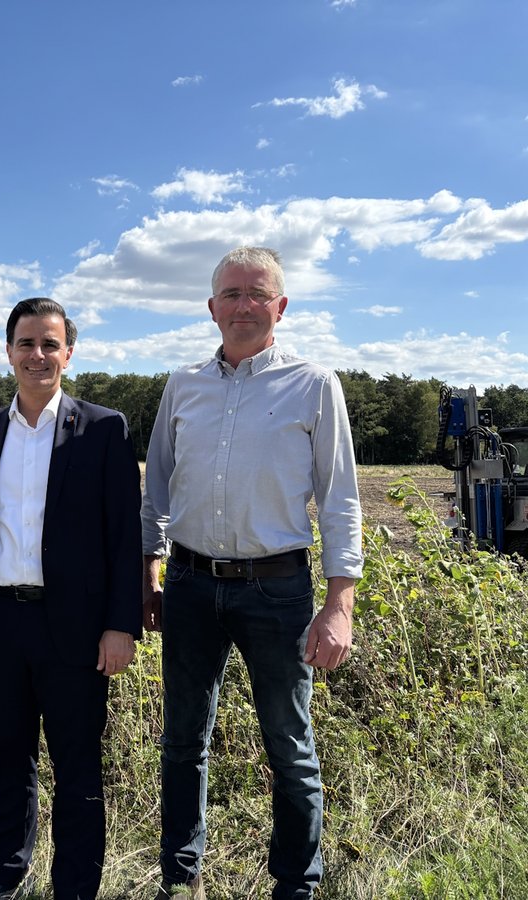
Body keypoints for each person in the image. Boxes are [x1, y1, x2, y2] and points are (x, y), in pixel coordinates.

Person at [141, 247, 363, 900]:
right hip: (188, 584)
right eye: (231, 293)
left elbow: (341, 498)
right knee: (183, 741)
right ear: (211, 308)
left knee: (289, 747)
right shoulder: (183, 385)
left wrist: (340, 603)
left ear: (281, 306)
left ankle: (296, 886)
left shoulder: (314, 385)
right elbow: (156, 485)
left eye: (256, 293)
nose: (243, 305)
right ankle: (179, 881)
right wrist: (148, 572)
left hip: (279, 590)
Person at [0, 297, 143, 900]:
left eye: (50, 344)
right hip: (0, 622)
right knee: (8, 761)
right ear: (8, 353)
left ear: (69, 354)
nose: (38, 355)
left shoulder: (105, 429)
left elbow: (122, 535)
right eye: (26, 344)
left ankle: (74, 889)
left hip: (76, 629)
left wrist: (120, 625)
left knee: (78, 768)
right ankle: (4, 879)